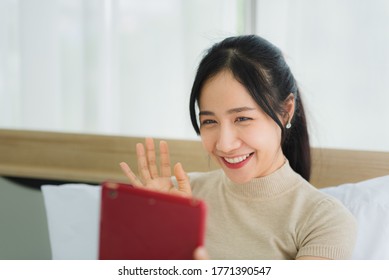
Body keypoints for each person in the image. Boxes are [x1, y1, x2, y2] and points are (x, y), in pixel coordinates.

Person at [119, 35, 357, 260]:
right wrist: (154, 227)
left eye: (242, 118)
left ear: (286, 111)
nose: (224, 144)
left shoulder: (324, 220)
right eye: (210, 121)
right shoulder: (177, 197)